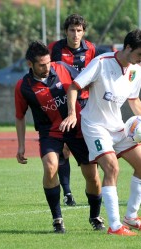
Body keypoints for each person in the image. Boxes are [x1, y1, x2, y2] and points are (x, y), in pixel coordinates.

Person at [60, 29, 141, 236]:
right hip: (95, 126)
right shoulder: (101, 62)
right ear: (128, 48)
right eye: (140, 54)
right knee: (112, 168)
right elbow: (74, 87)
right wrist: (72, 114)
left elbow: (134, 100)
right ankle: (115, 226)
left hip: (118, 127)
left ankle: (131, 217)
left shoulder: (136, 70)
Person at [15, 41, 105, 233]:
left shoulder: (63, 68)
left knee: (92, 176)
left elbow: (85, 82)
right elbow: (20, 116)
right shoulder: (23, 86)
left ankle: (95, 216)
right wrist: (21, 146)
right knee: (50, 167)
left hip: (77, 128)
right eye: (41, 64)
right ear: (30, 64)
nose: (47, 67)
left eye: (48, 62)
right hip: (50, 132)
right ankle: (57, 219)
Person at [48, 13, 98, 206]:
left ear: (83, 32)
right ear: (66, 31)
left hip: (85, 104)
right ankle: (67, 193)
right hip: (62, 103)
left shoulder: (90, 49)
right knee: (63, 148)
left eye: (79, 30)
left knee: (88, 148)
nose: (75, 34)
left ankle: (95, 188)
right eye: (72, 30)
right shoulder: (56, 48)